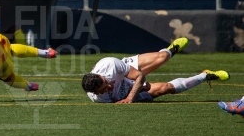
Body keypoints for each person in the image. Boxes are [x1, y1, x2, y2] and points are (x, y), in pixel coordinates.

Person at [82, 38, 229, 103]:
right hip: (126, 91)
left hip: (126, 72)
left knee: (162, 57)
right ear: (96, 93)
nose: (109, 86)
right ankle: (205, 75)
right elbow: (119, 102)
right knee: (167, 88)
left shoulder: (109, 64)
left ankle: (171, 50)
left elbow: (139, 76)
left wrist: (132, 95)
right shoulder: (98, 99)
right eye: (104, 89)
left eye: (106, 82)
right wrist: (135, 92)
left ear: (101, 75)